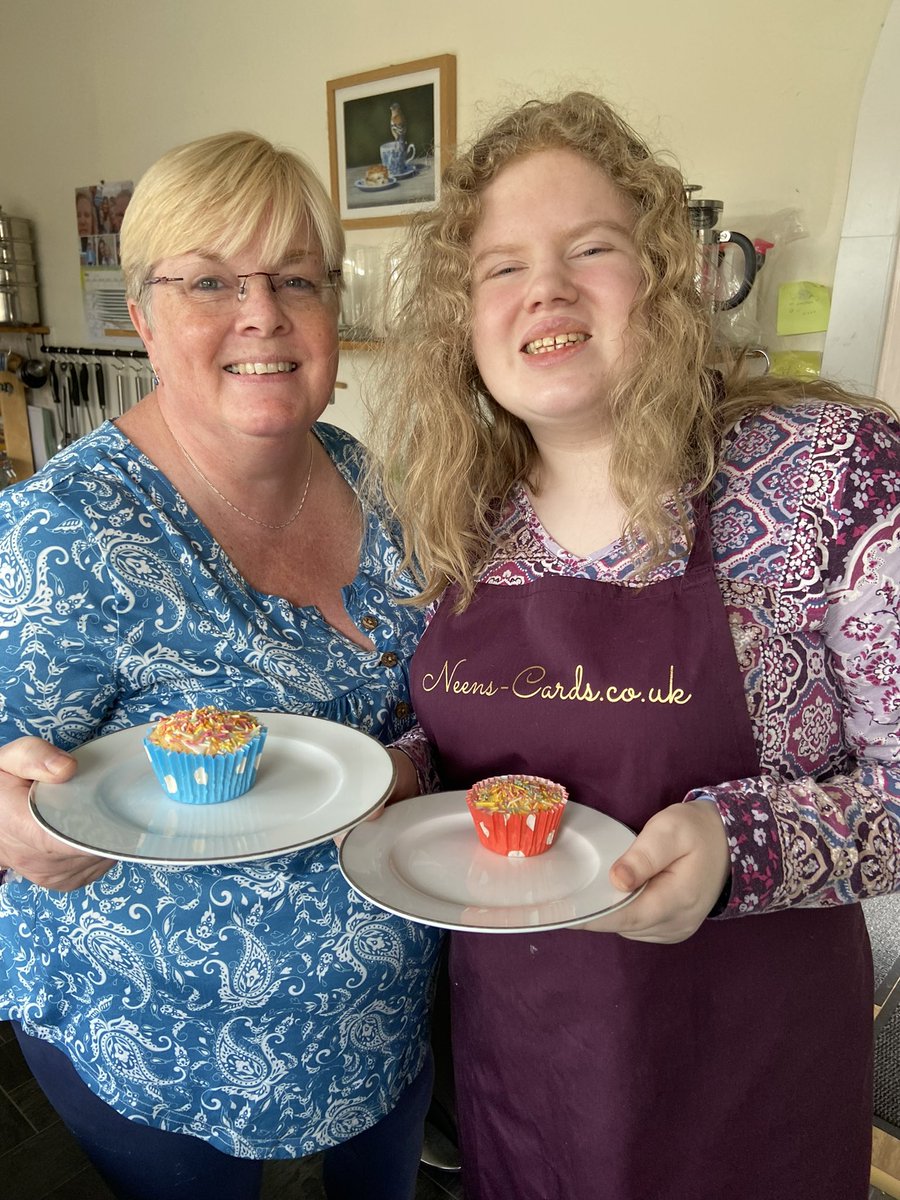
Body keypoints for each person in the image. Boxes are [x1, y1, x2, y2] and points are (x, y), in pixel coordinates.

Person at [366, 91, 900, 1200]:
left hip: (747, 1070)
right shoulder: (457, 512)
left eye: (592, 248)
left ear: (664, 275)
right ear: (462, 326)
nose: (546, 288)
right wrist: (404, 772)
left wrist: (742, 842)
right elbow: (454, 731)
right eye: (501, 267)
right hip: (526, 1060)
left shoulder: (827, 474)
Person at [0, 131, 441, 1200]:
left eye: (297, 277)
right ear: (144, 318)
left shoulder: (369, 477)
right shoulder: (62, 531)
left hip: (389, 1014)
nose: (263, 313)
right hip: (161, 1050)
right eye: (210, 280)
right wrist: (11, 826)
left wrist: (415, 768)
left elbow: (429, 697)